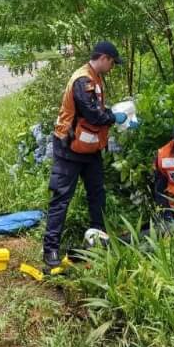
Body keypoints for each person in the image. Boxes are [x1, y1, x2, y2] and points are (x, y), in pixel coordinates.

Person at [44, 40, 127, 267]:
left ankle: (98, 238)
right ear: (104, 58)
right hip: (69, 148)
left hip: (90, 149)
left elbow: (96, 111)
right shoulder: (83, 79)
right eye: (112, 63)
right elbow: (93, 115)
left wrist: (113, 115)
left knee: (96, 194)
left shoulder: (95, 78)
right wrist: (115, 117)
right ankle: (50, 249)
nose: (112, 67)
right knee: (61, 198)